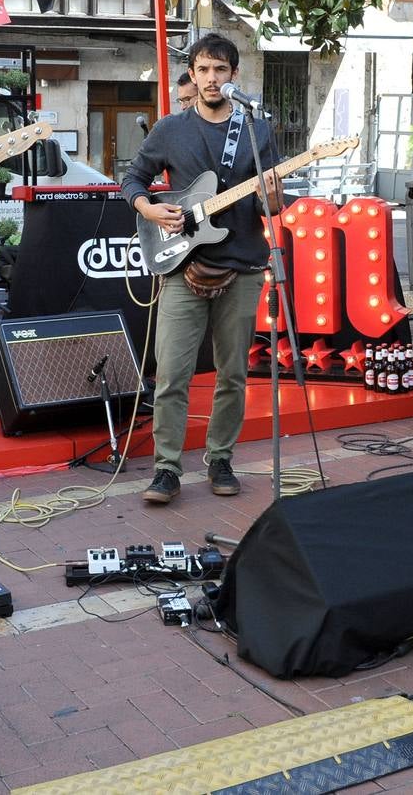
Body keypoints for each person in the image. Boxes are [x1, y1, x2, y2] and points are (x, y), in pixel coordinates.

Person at [124, 33, 281, 505]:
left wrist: (273, 196)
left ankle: (221, 458)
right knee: (172, 374)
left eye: (221, 70)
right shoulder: (170, 128)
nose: (212, 78)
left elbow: (270, 207)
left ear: (234, 75)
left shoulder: (256, 130)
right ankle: (167, 468)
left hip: (244, 265)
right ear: (192, 75)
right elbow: (133, 178)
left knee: (233, 374)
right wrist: (149, 208)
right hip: (183, 265)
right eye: (204, 70)